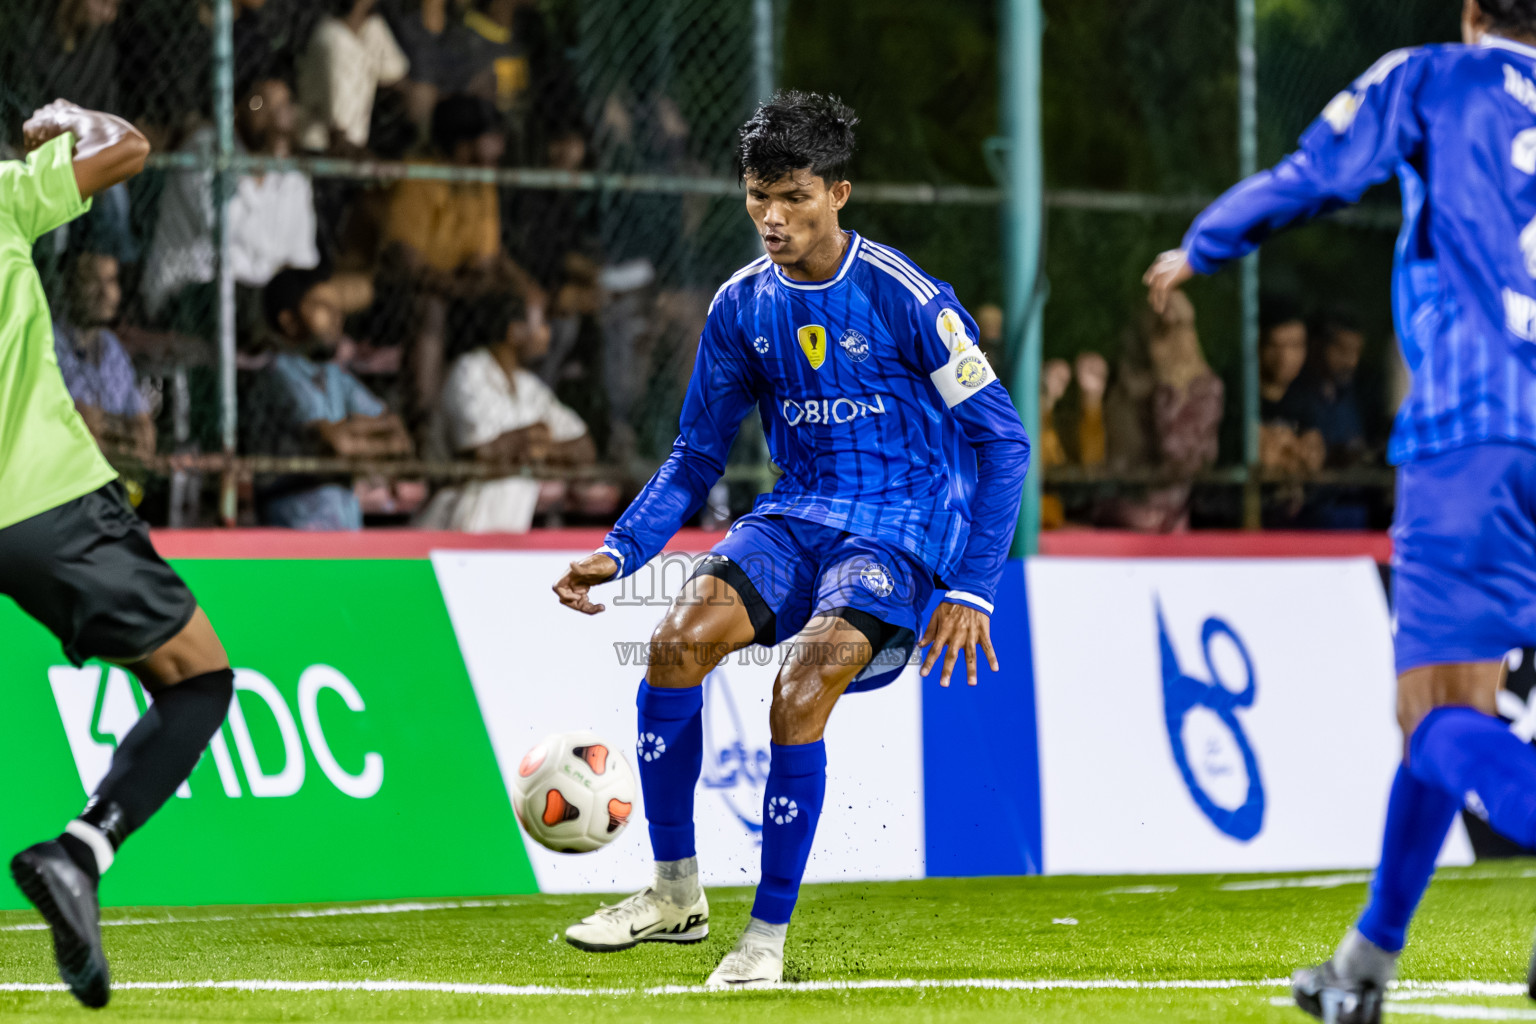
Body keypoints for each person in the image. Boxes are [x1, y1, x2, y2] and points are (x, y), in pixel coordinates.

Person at [551, 92, 1030, 986]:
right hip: (793, 516)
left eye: (795, 198)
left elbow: (1004, 441)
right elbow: (697, 452)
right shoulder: (739, 306)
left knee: (800, 686)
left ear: (838, 193)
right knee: (672, 645)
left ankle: (764, 938)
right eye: (757, 196)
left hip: (898, 532)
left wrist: (972, 586)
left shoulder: (909, 297)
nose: (773, 217)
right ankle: (674, 896)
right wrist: (621, 551)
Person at [1145, 3, 1536, 1019]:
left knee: (1441, 721)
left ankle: (1366, 965)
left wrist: (1204, 243)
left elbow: (1320, 169)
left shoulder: (1441, 76)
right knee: (1457, 717)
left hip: (1477, 434)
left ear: (1472, 12)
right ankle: (1364, 966)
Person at [1, 99, 234, 1010]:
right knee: (199, 678)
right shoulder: (10, 198)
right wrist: (67, 114)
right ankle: (81, 851)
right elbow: (130, 146)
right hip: (43, 501)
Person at [418, 296, 616, 531]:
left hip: (512, 528)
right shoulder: (469, 371)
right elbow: (481, 452)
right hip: (459, 523)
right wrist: (534, 441)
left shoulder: (528, 385)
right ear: (514, 332)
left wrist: (534, 447)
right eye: (541, 324)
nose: (547, 333)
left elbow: (584, 449)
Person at [141, 77, 320, 328]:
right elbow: (223, 228)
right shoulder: (206, 149)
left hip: (259, 298)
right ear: (237, 108)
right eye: (260, 104)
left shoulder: (294, 178)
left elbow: (302, 259)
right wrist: (276, 266)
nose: (273, 116)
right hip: (192, 290)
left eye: (282, 107)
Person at [246, 267, 413, 530]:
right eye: (322, 306)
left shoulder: (335, 374)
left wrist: (349, 431)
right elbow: (336, 443)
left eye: (337, 306)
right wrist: (357, 435)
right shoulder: (279, 374)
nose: (337, 315)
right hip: (296, 526)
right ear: (289, 321)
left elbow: (398, 436)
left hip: (345, 524)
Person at [1099, 291, 1223, 532]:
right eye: (1156, 327)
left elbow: (1181, 459)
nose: (1163, 340)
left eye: (1173, 329)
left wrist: (1169, 389)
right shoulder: (1125, 385)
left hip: (1170, 518)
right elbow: (1110, 456)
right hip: (1115, 510)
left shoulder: (1203, 389)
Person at [53, 251, 154, 459]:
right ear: (70, 287)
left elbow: (145, 436)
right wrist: (123, 429)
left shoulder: (112, 348)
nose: (105, 293)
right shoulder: (51, 341)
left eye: (111, 281)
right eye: (92, 282)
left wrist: (106, 427)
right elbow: (82, 428)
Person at [296, 0, 410, 154]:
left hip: (355, 146)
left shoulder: (372, 28)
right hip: (320, 148)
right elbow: (336, 127)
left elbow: (397, 74)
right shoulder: (328, 35)